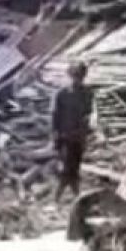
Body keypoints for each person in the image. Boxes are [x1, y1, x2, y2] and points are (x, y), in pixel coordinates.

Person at [51, 62, 94, 202]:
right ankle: (63, 195)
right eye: (75, 76)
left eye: (80, 76)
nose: (77, 79)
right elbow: (56, 115)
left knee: (75, 165)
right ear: (71, 76)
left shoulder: (87, 93)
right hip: (65, 135)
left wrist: (86, 133)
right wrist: (56, 135)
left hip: (79, 136)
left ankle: (70, 195)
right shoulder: (62, 94)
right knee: (67, 166)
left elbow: (88, 114)